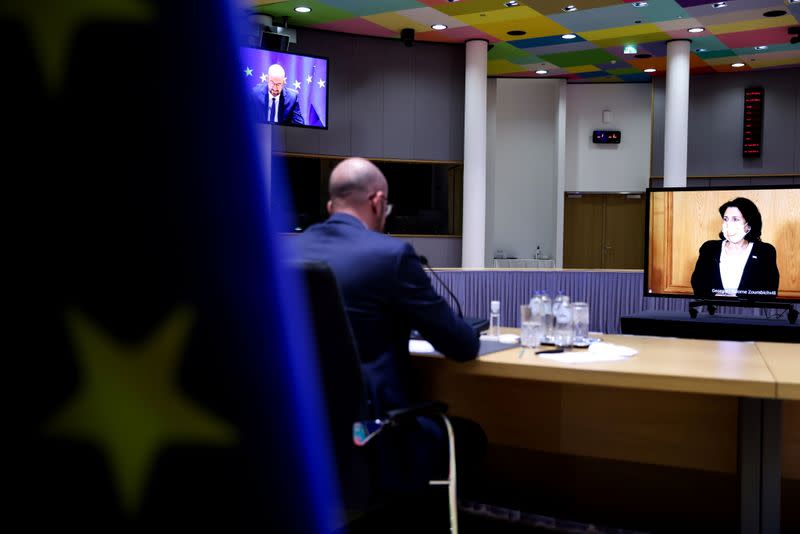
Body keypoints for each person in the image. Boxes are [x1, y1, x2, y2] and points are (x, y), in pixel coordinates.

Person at [292, 157, 485, 496]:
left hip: (300, 435)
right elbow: (461, 346)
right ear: (378, 202)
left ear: (330, 205)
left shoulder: (286, 253)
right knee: (469, 435)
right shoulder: (390, 256)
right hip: (372, 435)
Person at [690, 197, 779, 299]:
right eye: (726, 219)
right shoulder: (709, 248)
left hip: (751, 312)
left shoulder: (765, 251)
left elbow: (770, 290)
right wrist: (715, 296)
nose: (728, 224)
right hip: (713, 310)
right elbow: (698, 283)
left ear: (748, 225)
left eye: (735, 219)